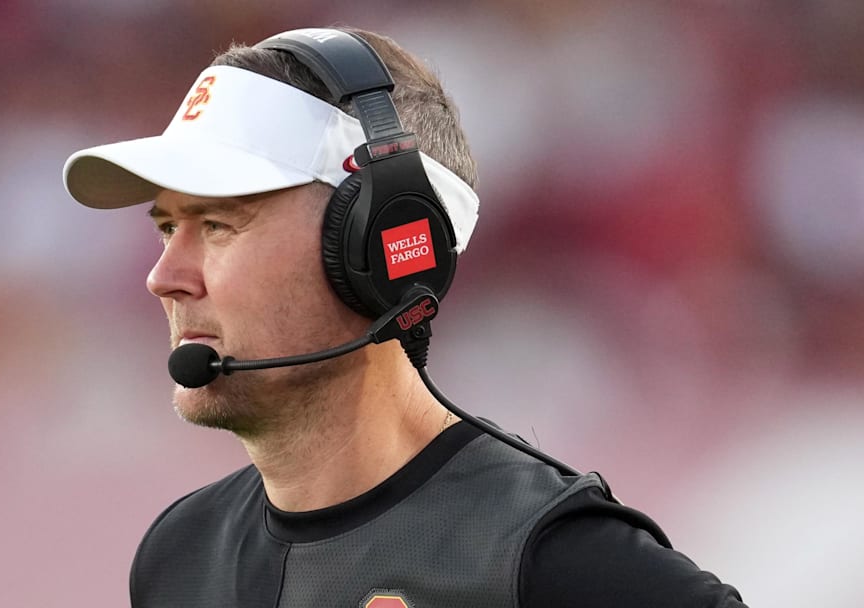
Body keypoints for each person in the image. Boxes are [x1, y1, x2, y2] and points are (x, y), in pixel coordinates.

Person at [62, 26, 746, 608]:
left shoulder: (556, 561)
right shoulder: (177, 557)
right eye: (165, 229)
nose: (164, 278)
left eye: (217, 225)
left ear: (381, 247)